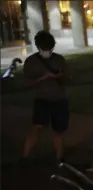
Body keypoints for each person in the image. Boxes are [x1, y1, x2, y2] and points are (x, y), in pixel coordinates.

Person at [21, 30, 70, 164]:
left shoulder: (59, 59)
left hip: (59, 99)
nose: (47, 51)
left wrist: (59, 77)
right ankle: (24, 157)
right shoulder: (31, 61)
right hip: (42, 100)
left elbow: (67, 78)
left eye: (49, 48)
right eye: (44, 48)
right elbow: (26, 83)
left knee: (58, 130)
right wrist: (43, 78)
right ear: (38, 47)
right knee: (36, 128)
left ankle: (60, 158)